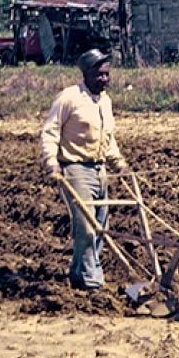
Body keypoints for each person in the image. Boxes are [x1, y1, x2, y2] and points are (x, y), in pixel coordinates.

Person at [40, 49, 129, 290]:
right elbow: (50, 131)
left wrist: (118, 163)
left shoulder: (105, 101)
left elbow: (107, 138)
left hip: (99, 170)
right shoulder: (68, 98)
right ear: (86, 74)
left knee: (101, 227)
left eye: (107, 74)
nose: (104, 79)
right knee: (86, 227)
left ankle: (78, 273)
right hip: (75, 170)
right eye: (99, 75)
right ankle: (92, 282)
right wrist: (51, 163)